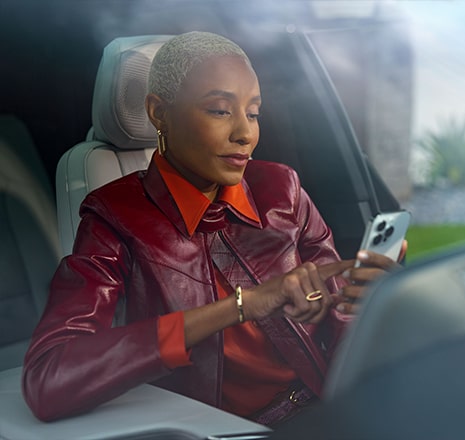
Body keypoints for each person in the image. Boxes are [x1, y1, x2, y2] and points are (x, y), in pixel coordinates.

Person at [21, 31, 404, 425]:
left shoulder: (282, 190)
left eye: (253, 113)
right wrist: (241, 306)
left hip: (324, 410)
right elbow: (48, 380)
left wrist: (370, 302)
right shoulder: (115, 217)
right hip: (222, 427)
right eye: (220, 110)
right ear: (159, 113)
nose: (245, 133)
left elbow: (342, 329)